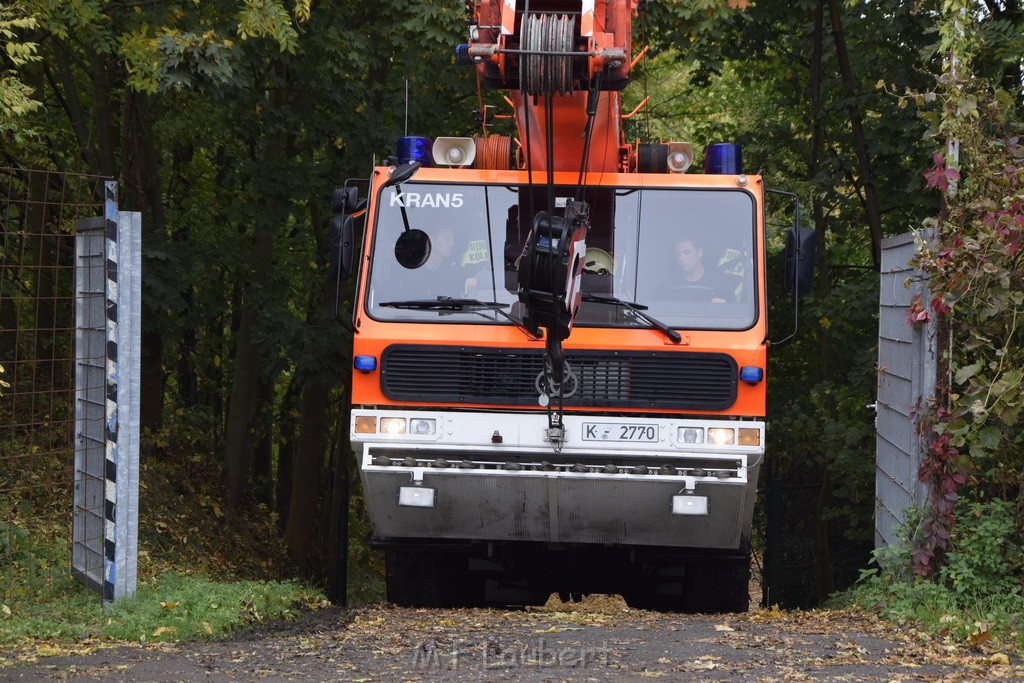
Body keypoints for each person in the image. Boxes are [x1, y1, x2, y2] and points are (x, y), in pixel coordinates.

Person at [673, 236, 736, 303]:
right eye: (678, 254)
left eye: (687, 252)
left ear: (700, 252)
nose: (681, 258)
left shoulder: (721, 284)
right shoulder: (668, 286)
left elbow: (735, 311)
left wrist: (720, 307)